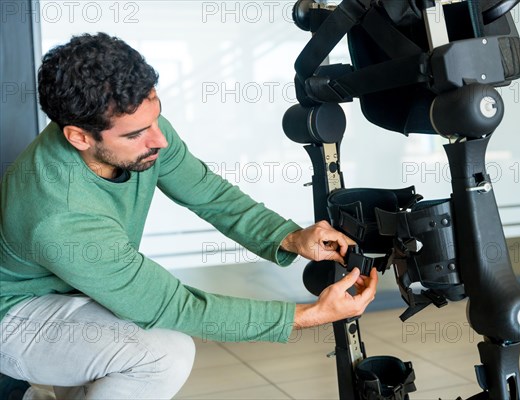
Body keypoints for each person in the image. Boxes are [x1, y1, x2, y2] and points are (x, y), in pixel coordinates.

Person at [0, 33, 378, 399]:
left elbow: (208, 194)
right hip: (14, 312)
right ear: (79, 137)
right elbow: (173, 308)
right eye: (136, 134)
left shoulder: (130, 124)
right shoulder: (59, 215)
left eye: (156, 118)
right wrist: (309, 314)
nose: (159, 140)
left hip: (72, 287)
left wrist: (290, 236)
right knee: (163, 355)